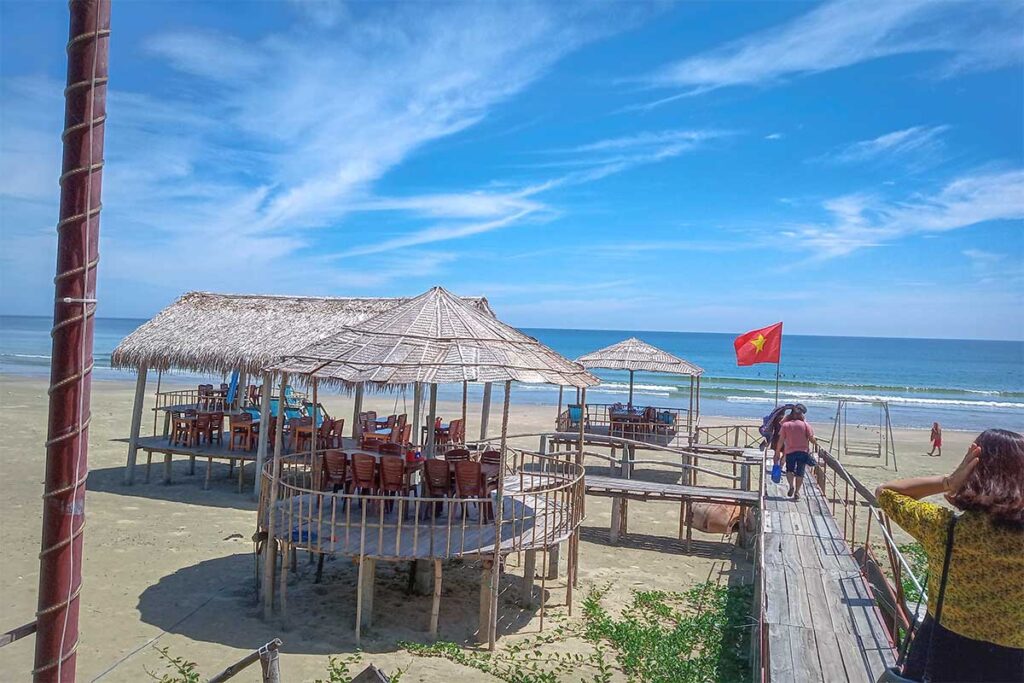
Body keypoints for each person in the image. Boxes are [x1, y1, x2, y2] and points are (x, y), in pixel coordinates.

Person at [875, 429, 1024, 682]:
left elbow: (885, 492)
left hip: (941, 655)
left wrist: (949, 481)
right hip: (1012, 664)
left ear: (973, 471)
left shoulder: (944, 527)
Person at [774, 404, 817, 501]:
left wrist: (777, 452)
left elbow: (780, 440)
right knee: (800, 472)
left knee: (789, 470)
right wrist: (815, 442)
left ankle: (791, 486)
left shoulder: (786, 425)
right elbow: (811, 439)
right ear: (801, 415)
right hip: (803, 452)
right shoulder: (805, 425)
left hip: (790, 451)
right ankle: (797, 492)